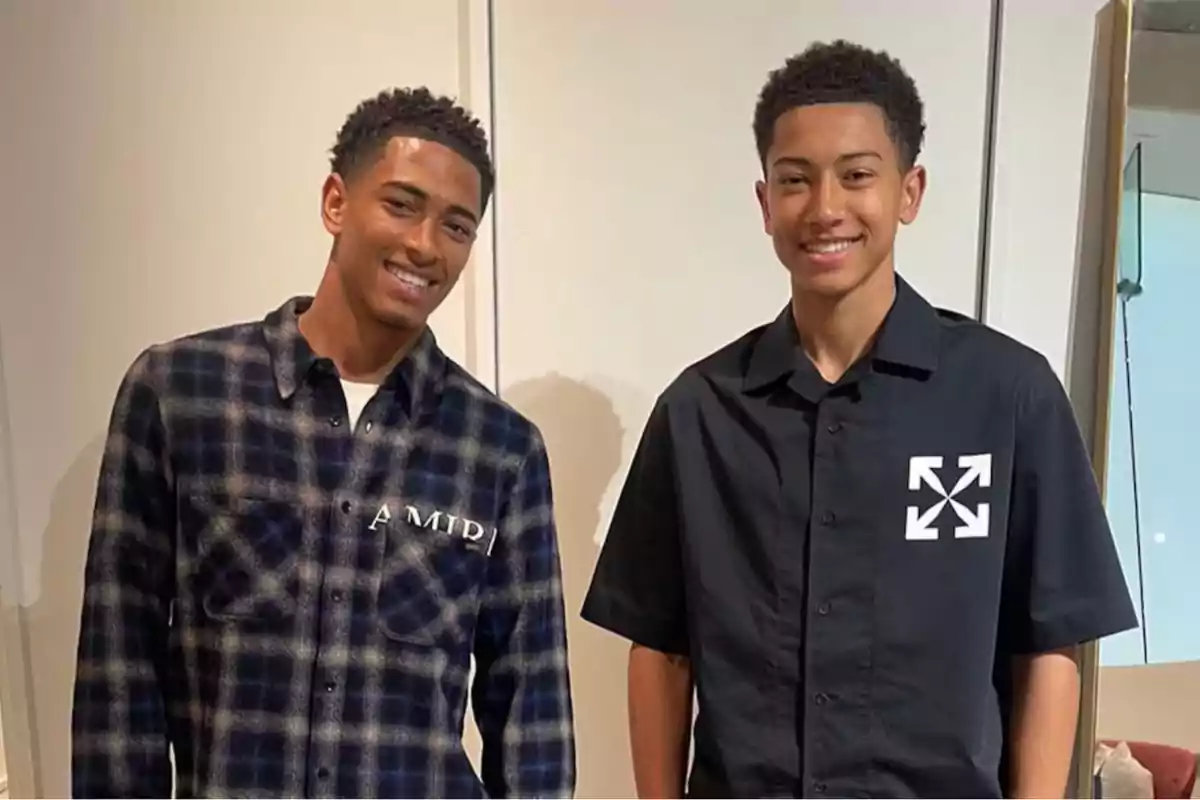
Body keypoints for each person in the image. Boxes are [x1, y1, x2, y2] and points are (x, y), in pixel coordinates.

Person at [581, 40, 1137, 799]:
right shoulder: (700, 412)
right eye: (795, 181)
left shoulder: (1007, 395)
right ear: (765, 202)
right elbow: (661, 648)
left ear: (909, 191)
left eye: (857, 175)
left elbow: (1050, 645)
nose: (825, 209)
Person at [72, 87, 575, 799]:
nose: (425, 245)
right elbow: (117, 669)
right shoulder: (181, 394)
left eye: (457, 226)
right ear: (336, 202)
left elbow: (533, 713)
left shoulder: (499, 449)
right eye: (401, 204)